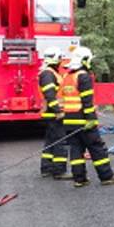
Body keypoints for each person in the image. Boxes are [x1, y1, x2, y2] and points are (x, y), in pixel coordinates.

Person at [59, 47, 114, 188]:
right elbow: (87, 101)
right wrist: (90, 119)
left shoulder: (67, 77)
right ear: (85, 60)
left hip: (69, 120)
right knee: (97, 148)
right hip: (83, 119)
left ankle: (79, 179)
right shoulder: (83, 76)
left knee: (76, 150)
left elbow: (63, 99)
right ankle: (107, 176)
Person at [38, 47, 71, 180]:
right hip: (55, 114)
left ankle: (46, 168)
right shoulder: (48, 74)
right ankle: (59, 171)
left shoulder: (49, 72)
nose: (61, 62)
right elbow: (50, 95)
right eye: (60, 59)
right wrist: (58, 111)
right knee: (60, 142)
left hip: (52, 113)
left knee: (50, 142)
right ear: (56, 59)